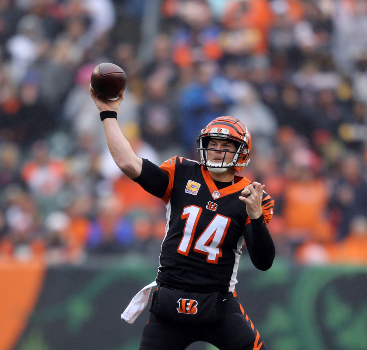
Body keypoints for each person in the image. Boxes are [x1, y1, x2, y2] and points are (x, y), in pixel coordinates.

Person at [98, 90, 275, 349]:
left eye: (226, 146)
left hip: (219, 303)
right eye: (213, 144)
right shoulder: (181, 172)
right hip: (169, 301)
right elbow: (129, 164)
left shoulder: (251, 195)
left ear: (241, 153)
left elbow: (263, 261)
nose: (217, 150)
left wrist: (256, 217)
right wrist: (108, 113)